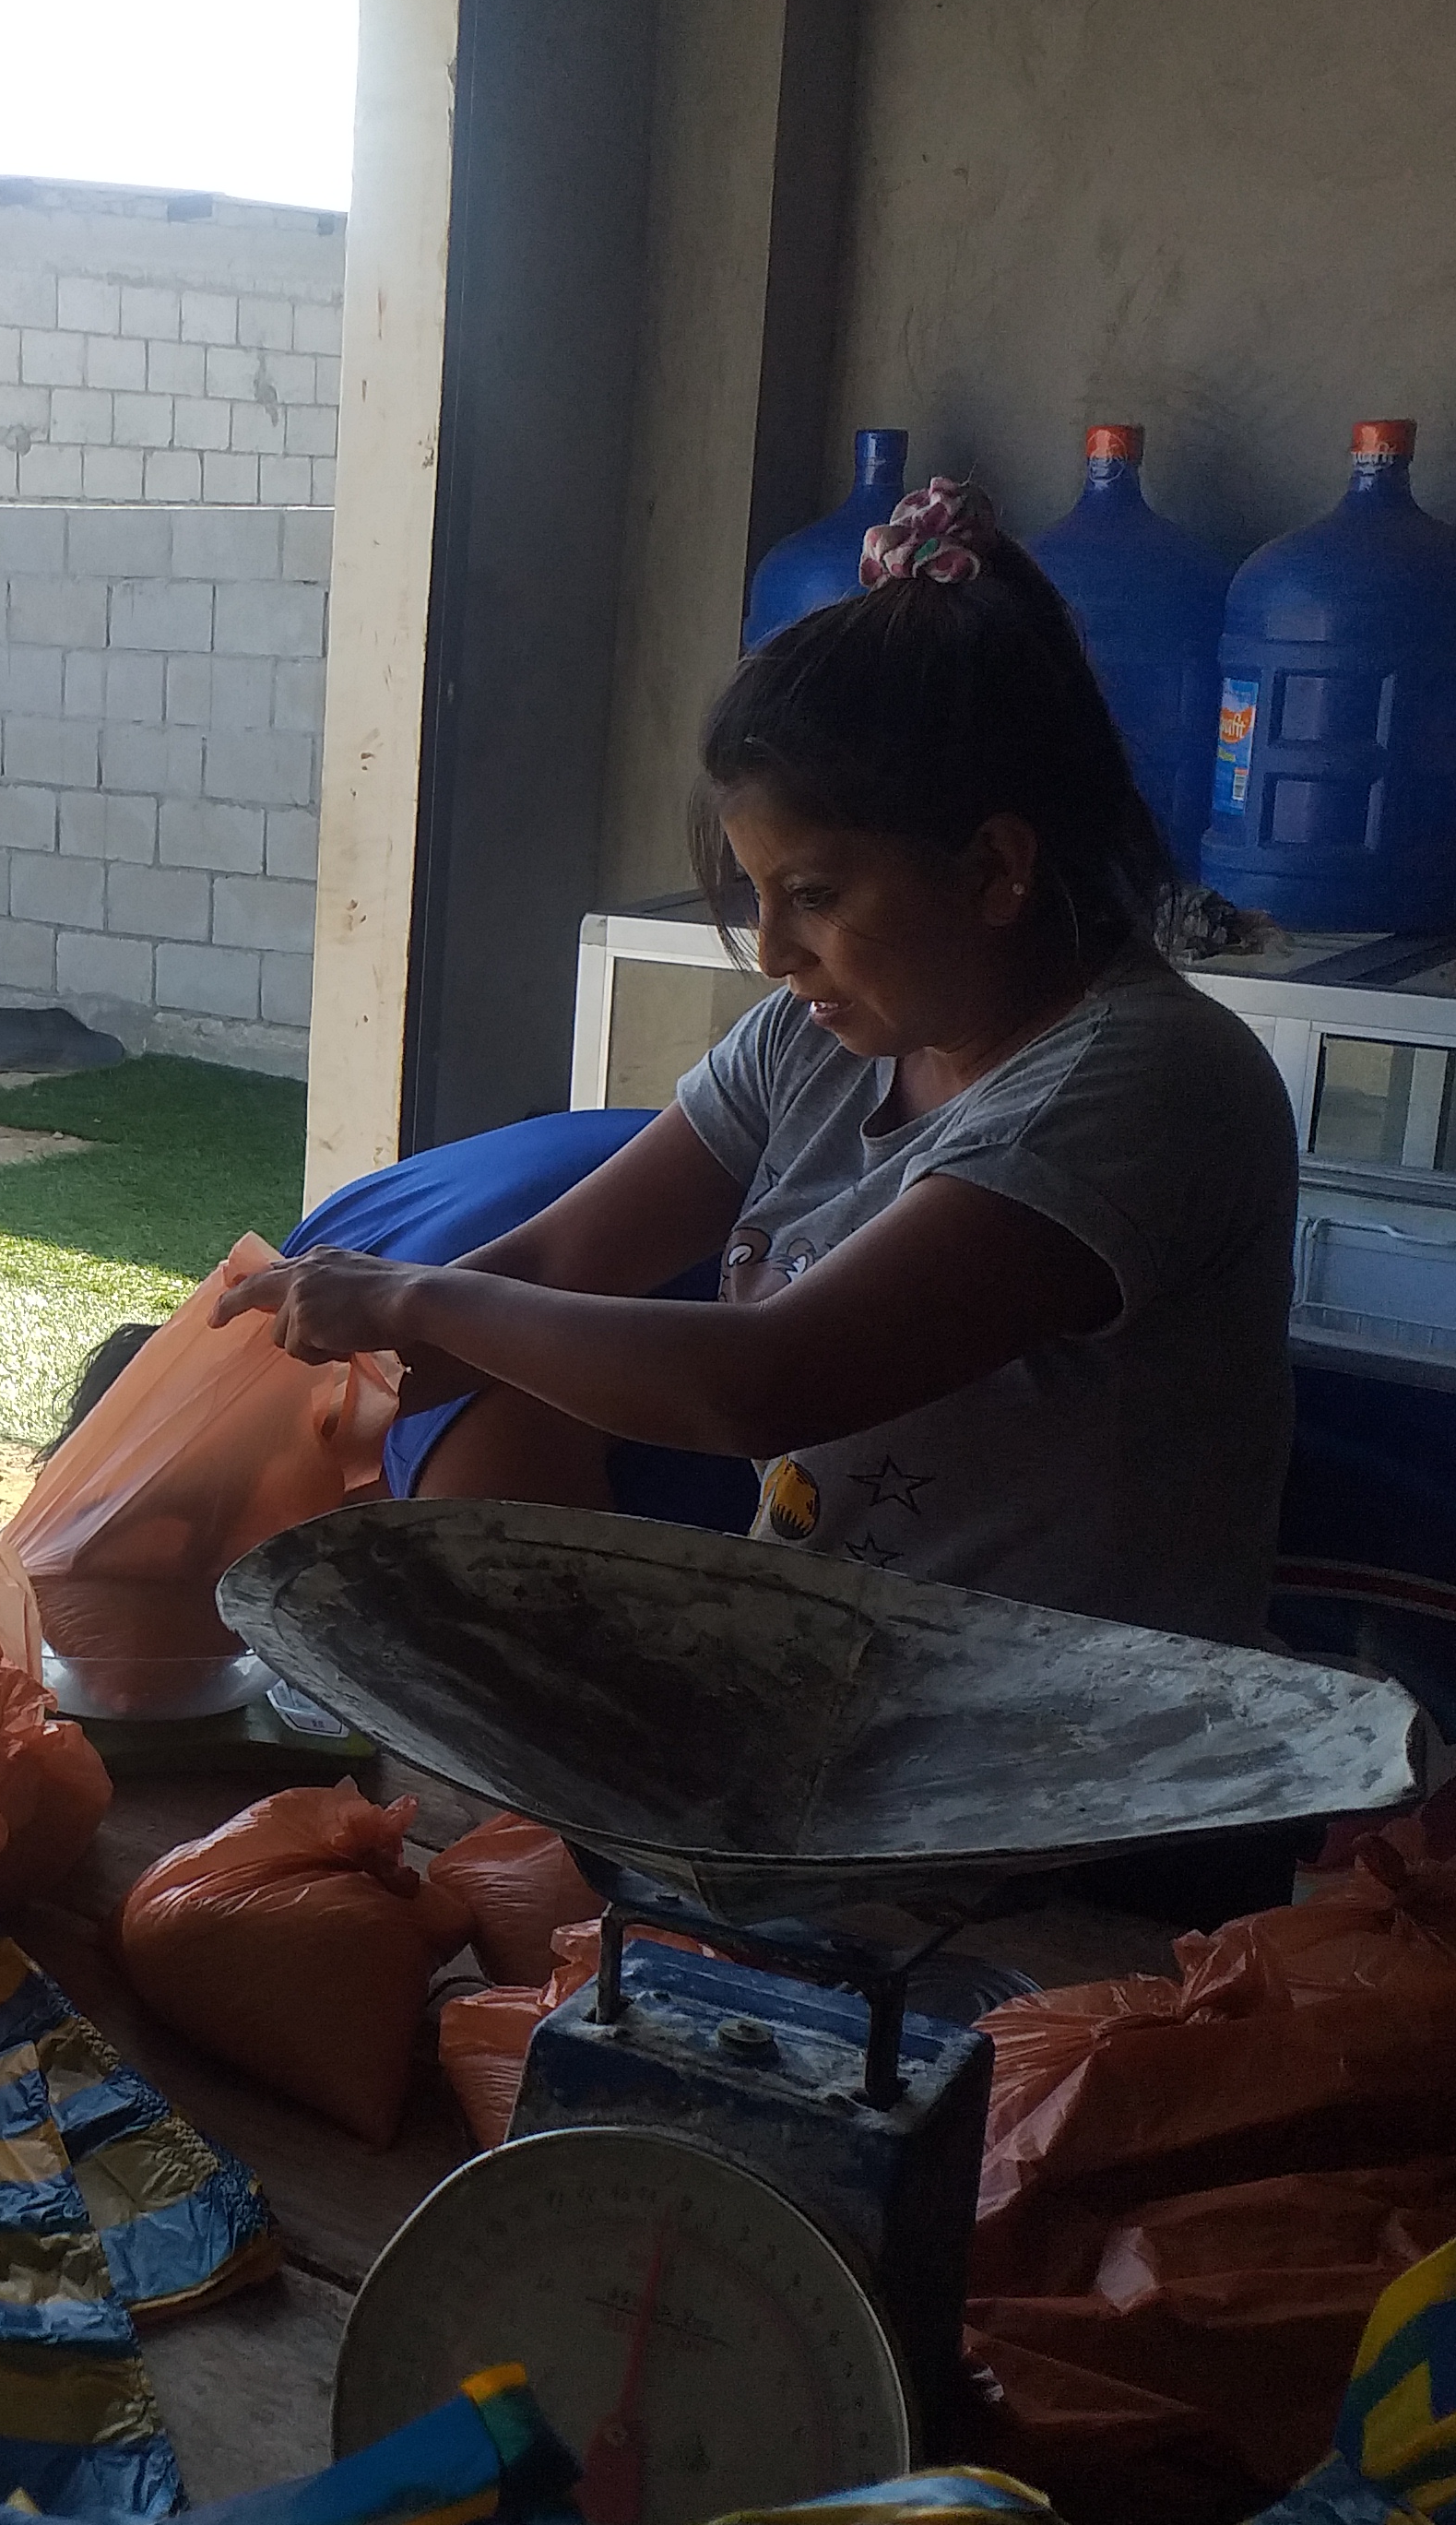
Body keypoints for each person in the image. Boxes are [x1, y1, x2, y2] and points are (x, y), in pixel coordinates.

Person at [219, 479, 1299, 1648]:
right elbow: (557, 1260)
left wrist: (414, 1297)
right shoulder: (820, 1038)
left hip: (1069, 1737)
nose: (776, 953)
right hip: (828, 1681)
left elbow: (762, 1384)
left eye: (816, 896)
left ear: (995, 867)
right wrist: (296, 1382)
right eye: (758, 895)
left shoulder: (1145, 1085)